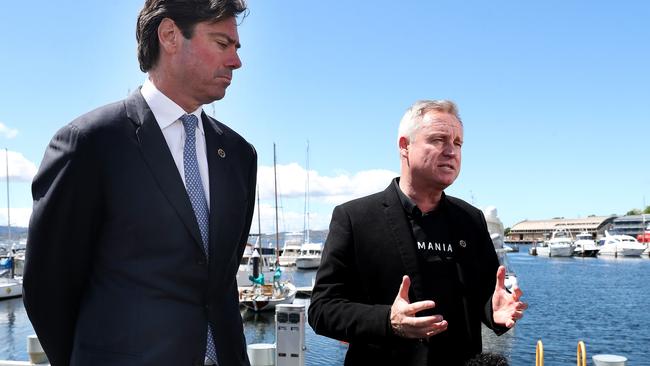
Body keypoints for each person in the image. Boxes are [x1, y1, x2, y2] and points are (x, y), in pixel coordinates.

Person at [23, 1, 255, 365]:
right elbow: (45, 288)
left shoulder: (240, 155)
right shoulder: (90, 143)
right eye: (222, 44)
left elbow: (221, 284)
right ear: (169, 36)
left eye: (236, 48)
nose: (235, 61)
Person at [308, 100, 527, 366]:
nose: (451, 151)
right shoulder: (355, 218)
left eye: (458, 143)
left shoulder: (471, 219)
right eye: (438, 140)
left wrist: (493, 310)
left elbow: (484, 296)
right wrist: (389, 321)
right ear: (404, 146)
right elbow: (322, 310)